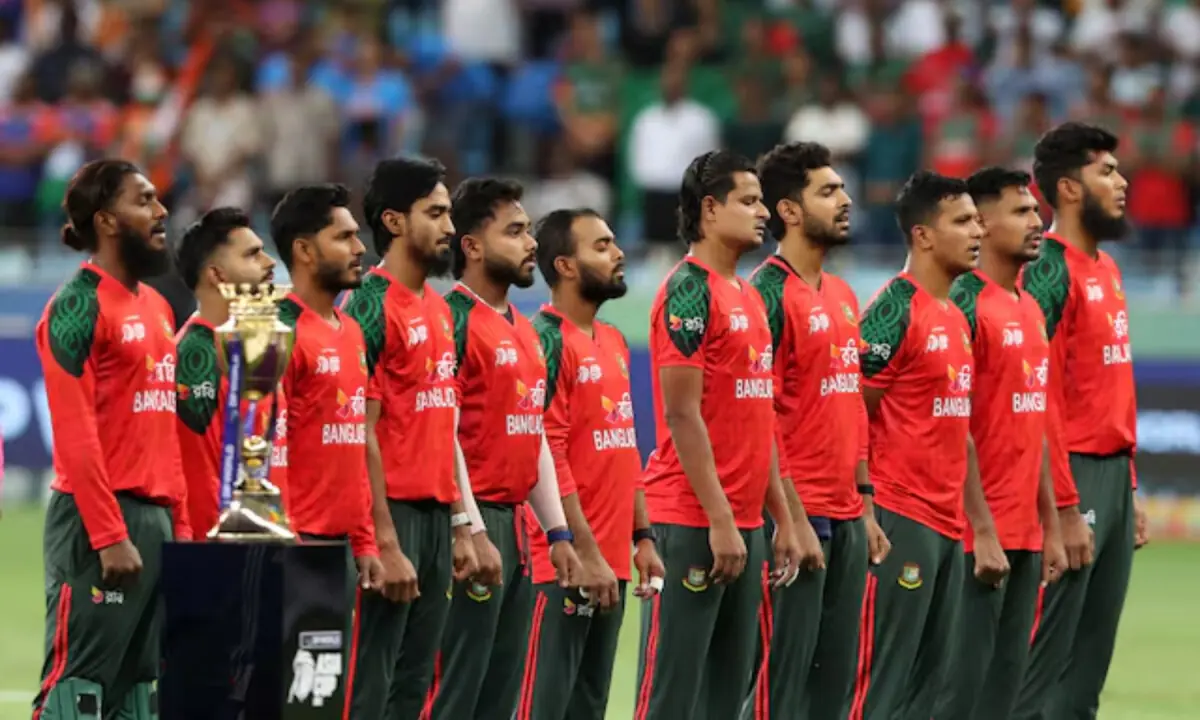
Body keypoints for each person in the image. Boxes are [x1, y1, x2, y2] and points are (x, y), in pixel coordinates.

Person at [634, 150, 821, 720]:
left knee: (728, 693)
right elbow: (681, 415)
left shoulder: (748, 295)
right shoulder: (689, 290)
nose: (764, 212)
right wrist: (720, 519)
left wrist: (782, 517)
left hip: (745, 523)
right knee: (671, 696)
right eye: (749, 201)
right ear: (710, 210)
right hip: (692, 519)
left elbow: (760, 417)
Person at [33, 159, 190, 720]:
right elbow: (74, 434)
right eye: (144, 200)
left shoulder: (159, 306)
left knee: (140, 691)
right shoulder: (77, 305)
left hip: (154, 521)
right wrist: (108, 534)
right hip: (99, 525)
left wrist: (181, 531)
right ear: (105, 220)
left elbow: (165, 430)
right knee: (77, 689)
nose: (161, 210)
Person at [742, 142, 892, 720]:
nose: (845, 200)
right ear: (789, 210)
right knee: (778, 689)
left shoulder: (844, 294)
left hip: (847, 514)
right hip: (796, 514)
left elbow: (852, 406)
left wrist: (866, 504)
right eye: (828, 191)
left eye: (843, 188)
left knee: (834, 691)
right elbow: (757, 414)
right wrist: (789, 517)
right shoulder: (766, 294)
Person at [424, 178, 583, 720]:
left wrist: (557, 532)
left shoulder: (526, 330)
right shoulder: (452, 320)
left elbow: (531, 433)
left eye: (529, 230)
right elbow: (441, 431)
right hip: (472, 525)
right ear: (471, 245)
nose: (531, 243)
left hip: (515, 526)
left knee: (499, 697)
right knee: (453, 693)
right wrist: (468, 527)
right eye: (514, 232)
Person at [339, 157, 485, 719]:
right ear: (394, 221)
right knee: (367, 685)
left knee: (414, 687)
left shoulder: (439, 310)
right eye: (436, 213)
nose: (450, 226)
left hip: (433, 519)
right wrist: (383, 540)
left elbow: (442, 426)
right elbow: (359, 430)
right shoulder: (369, 304)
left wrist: (460, 523)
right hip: (391, 514)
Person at [1013, 123, 1145, 720]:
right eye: (1107, 172)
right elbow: (1035, 394)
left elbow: (1111, 390)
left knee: (1090, 664)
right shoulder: (1047, 270)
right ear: (1068, 189)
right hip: (1070, 476)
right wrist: (1062, 507)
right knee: (1043, 661)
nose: (1122, 183)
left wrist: (1130, 489)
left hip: (1113, 479)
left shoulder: (1108, 269)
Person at [516, 208, 666, 720]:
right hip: (561, 565)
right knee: (543, 707)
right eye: (601, 246)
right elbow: (546, 451)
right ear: (565, 265)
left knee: (590, 707)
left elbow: (625, 446)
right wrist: (584, 549)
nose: (618, 253)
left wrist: (642, 536)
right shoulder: (546, 339)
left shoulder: (614, 340)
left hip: (611, 562)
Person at [850, 170, 989, 720]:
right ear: (923, 235)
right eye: (963, 221)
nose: (978, 231)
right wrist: (864, 506)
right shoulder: (893, 308)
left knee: (927, 688)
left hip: (947, 521)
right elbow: (851, 409)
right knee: (879, 684)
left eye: (977, 220)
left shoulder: (954, 315)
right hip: (899, 513)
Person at [932, 167, 1068, 720]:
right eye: (1021, 211)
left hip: (1025, 535)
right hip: (972, 538)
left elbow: (1032, 426)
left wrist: (1050, 526)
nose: (1037, 220)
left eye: (1036, 209)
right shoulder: (962, 302)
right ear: (982, 224)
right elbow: (951, 425)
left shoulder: (1030, 307)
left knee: (1004, 696)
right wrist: (981, 529)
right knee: (956, 697)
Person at [269, 184, 385, 705]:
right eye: (344, 237)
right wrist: (285, 546)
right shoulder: (277, 330)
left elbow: (353, 445)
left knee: (322, 702)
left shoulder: (351, 331)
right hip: (299, 548)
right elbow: (266, 450)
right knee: (289, 701)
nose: (360, 248)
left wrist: (365, 542)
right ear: (304, 250)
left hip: (339, 551)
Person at [173, 207, 287, 539]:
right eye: (252, 255)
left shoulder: (257, 349)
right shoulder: (196, 355)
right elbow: (201, 476)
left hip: (266, 536)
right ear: (217, 275)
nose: (270, 263)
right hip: (225, 546)